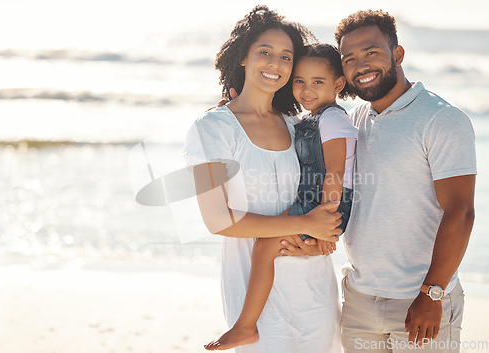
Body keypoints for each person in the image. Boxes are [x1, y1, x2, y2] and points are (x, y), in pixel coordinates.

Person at [312, 9, 474, 353]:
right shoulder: (349, 121)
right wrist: (236, 110)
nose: (361, 65)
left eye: (371, 52)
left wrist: (432, 293)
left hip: (420, 299)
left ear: (397, 54)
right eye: (349, 58)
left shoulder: (441, 119)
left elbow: (460, 212)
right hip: (358, 298)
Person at [183, 6, 342, 353]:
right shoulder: (211, 128)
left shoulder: (299, 125)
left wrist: (324, 236)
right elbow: (217, 220)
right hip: (253, 293)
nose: (275, 64)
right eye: (265, 52)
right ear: (243, 57)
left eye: (286, 56)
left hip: (313, 282)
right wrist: (303, 223)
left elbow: (327, 184)